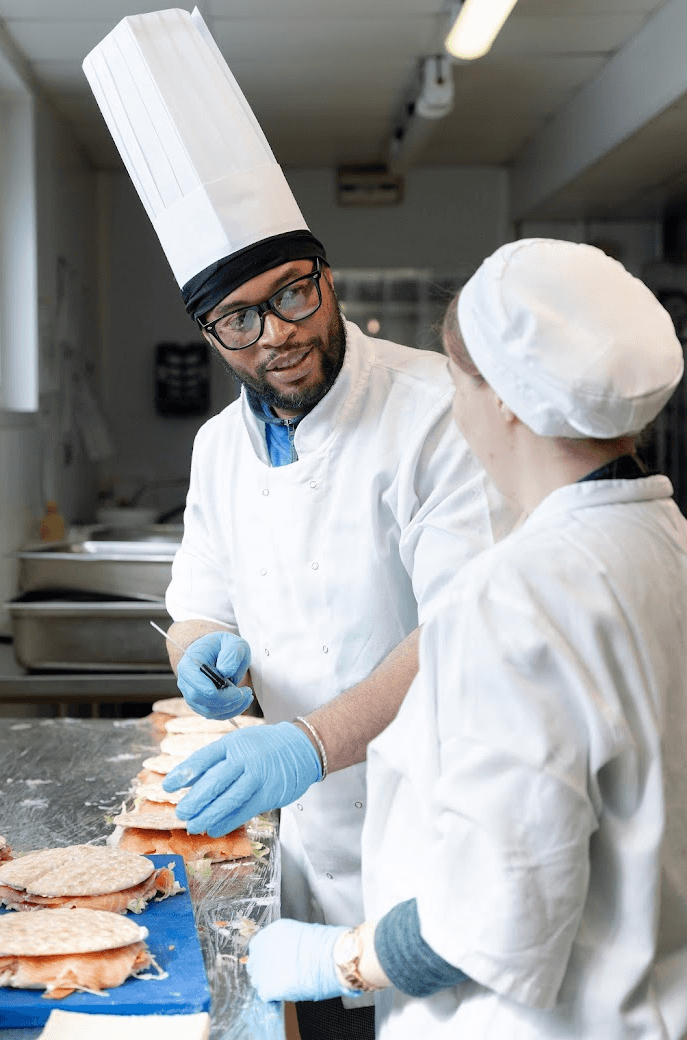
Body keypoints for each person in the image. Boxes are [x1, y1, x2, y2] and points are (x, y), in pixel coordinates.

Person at [84, 12, 512, 1038]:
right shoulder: (218, 450)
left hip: (431, 825)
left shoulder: (433, 411)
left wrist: (313, 738)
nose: (278, 334)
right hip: (293, 838)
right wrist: (201, 655)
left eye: (292, 291)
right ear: (208, 331)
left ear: (326, 273)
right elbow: (196, 603)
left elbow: (463, 632)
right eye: (241, 317)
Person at [243, 238, 687, 1040]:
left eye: (458, 380)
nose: (454, 405)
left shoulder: (515, 596)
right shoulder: (667, 545)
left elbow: (496, 917)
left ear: (507, 400)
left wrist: (338, 959)